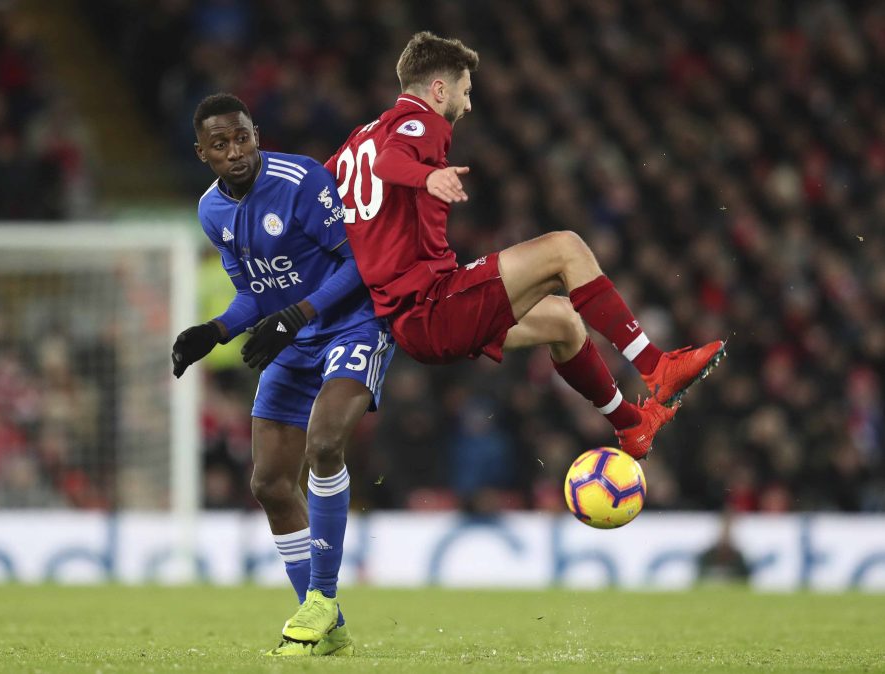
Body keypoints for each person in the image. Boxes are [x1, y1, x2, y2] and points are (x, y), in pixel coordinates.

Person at [326, 31, 725, 460]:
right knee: (564, 248)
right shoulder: (421, 121)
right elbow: (390, 164)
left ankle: (632, 426)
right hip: (431, 307)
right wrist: (426, 176)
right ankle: (657, 368)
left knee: (565, 322)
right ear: (438, 89)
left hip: (412, 318)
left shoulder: (360, 138)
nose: (470, 103)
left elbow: (322, 190)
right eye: (465, 91)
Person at [172, 93, 395, 657]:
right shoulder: (210, 212)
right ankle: (333, 628)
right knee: (269, 483)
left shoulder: (302, 180)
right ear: (203, 153)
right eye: (220, 144)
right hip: (292, 338)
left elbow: (359, 263)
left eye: (242, 137)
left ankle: (319, 599)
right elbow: (255, 290)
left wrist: (297, 315)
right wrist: (216, 331)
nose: (235, 151)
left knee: (323, 445)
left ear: (256, 134)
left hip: (351, 327)